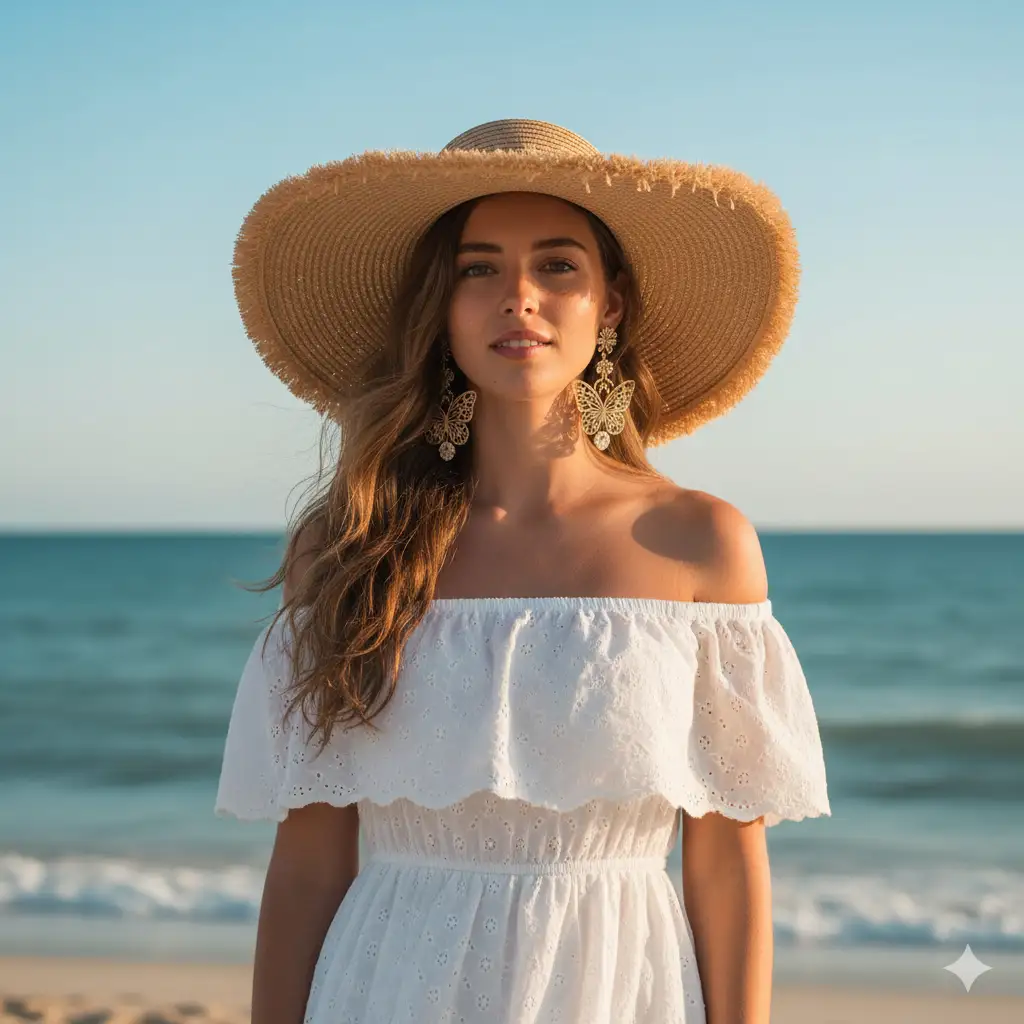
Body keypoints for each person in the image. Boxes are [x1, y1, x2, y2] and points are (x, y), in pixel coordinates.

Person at [215, 118, 831, 1024]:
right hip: (386, 985)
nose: (519, 297)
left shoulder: (701, 544)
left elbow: (727, 861)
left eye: (557, 266)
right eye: (477, 269)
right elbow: (308, 864)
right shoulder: (350, 545)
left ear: (609, 304)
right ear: (441, 306)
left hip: (619, 987)